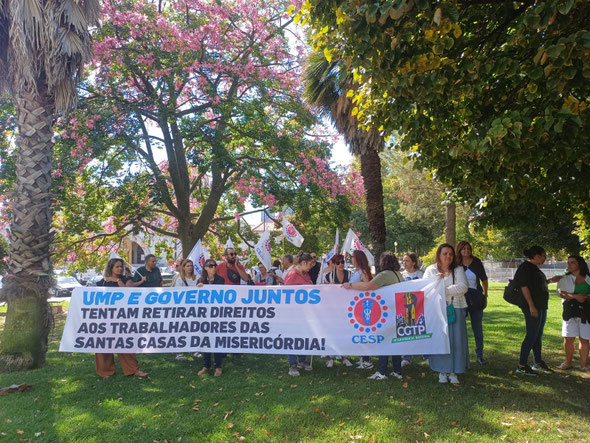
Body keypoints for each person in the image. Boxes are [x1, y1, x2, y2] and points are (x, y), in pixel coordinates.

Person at [343, 251, 404, 380]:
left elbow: (368, 286)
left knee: (384, 341)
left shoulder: (384, 275)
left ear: (384, 262)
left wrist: (350, 285)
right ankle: (397, 371)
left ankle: (381, 372)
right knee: (395, 342)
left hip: (387, 312)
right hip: (397, 311)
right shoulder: (398, 274)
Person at [95, 258, 148, 379]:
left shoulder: (126, 279)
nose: (120, 269)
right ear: (111, 268)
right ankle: (105, 371)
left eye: (121, 267)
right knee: (103, 344)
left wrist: (117, 280)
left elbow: (127, 292)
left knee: (125, 343)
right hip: (106, 316)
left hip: (123, 316)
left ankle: (133, 370)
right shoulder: (102, 282)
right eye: (117, 267)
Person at [424, 244, 468, 385]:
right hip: (437, 309)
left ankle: (454, 371)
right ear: (439, 254)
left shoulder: (458, 269)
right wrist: (442, 286)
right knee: (441, 340)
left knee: (456, 340)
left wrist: (441, 287)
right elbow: (426, 289)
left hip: (456, 307)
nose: (448, 256)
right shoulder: (431, 270)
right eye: (445, 253)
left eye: (450, 254)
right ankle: (442, 371)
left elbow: (463, 287)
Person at [513, 246, 561, 375]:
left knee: (538, 334)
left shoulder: (534, 268)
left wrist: (551, 280)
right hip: (532, 307)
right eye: (544, 255)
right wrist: (531, 306)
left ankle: (537, 362)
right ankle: (521, 365)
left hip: (540, 306)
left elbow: (537, 285)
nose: (545, 258)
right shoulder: (525, 268)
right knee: (531, 335)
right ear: (537, 256)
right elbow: (524, 287)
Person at [456, 241, 489, 365]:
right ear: (459, 250)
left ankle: (480, 355)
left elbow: (484, 279)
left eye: (468, 248)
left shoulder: (476, 262)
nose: (466, 251)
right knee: (460, 329)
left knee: (477, 329)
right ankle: (462, 356)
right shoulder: (456, 263)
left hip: (476, 298)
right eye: (463, 248)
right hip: (460, 298)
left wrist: (485, 294)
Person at [557, 255, 590, 371]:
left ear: (579, 264)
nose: (569, 265)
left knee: (584, 339)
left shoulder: (588, 278)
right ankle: (568, 362)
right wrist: (576, 297)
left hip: (586, 312)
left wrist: (586, 297)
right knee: (568, 338)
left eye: (572, 262)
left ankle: (583, 365)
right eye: (568, 262)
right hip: (570, 311)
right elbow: (562, 293)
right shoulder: (565, 279)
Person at [284, 252, 314, 375]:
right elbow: (287, 294)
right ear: (304, 263)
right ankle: (292, 364)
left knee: (303, 336)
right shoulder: (292, 274)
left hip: (305, 312)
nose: (311, 267)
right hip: (293, 313)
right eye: (310, 264)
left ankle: (302, 360)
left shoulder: (305, 274)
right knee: (292, 337)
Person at [197, 258, 226, 376]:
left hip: (216, 314)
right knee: (206, 341)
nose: (213, 267)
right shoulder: (200, 280)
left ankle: (218, 366)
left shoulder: (220, 280)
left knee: (216, 340)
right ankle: (206, 365)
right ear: (205, 268)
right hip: (204, 314)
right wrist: (199, 288)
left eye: (215, 265)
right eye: (211, 266)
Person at [400, 252, 424, 367]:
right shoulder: (401, 275)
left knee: (422, 329)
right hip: (406, 307)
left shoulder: (421, 274)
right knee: (407, 331)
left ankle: (427, 355)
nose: (404, 263)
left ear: (413, 262)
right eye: (403, 261)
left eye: (407, 261)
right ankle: (407, 357)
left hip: (421, 306)